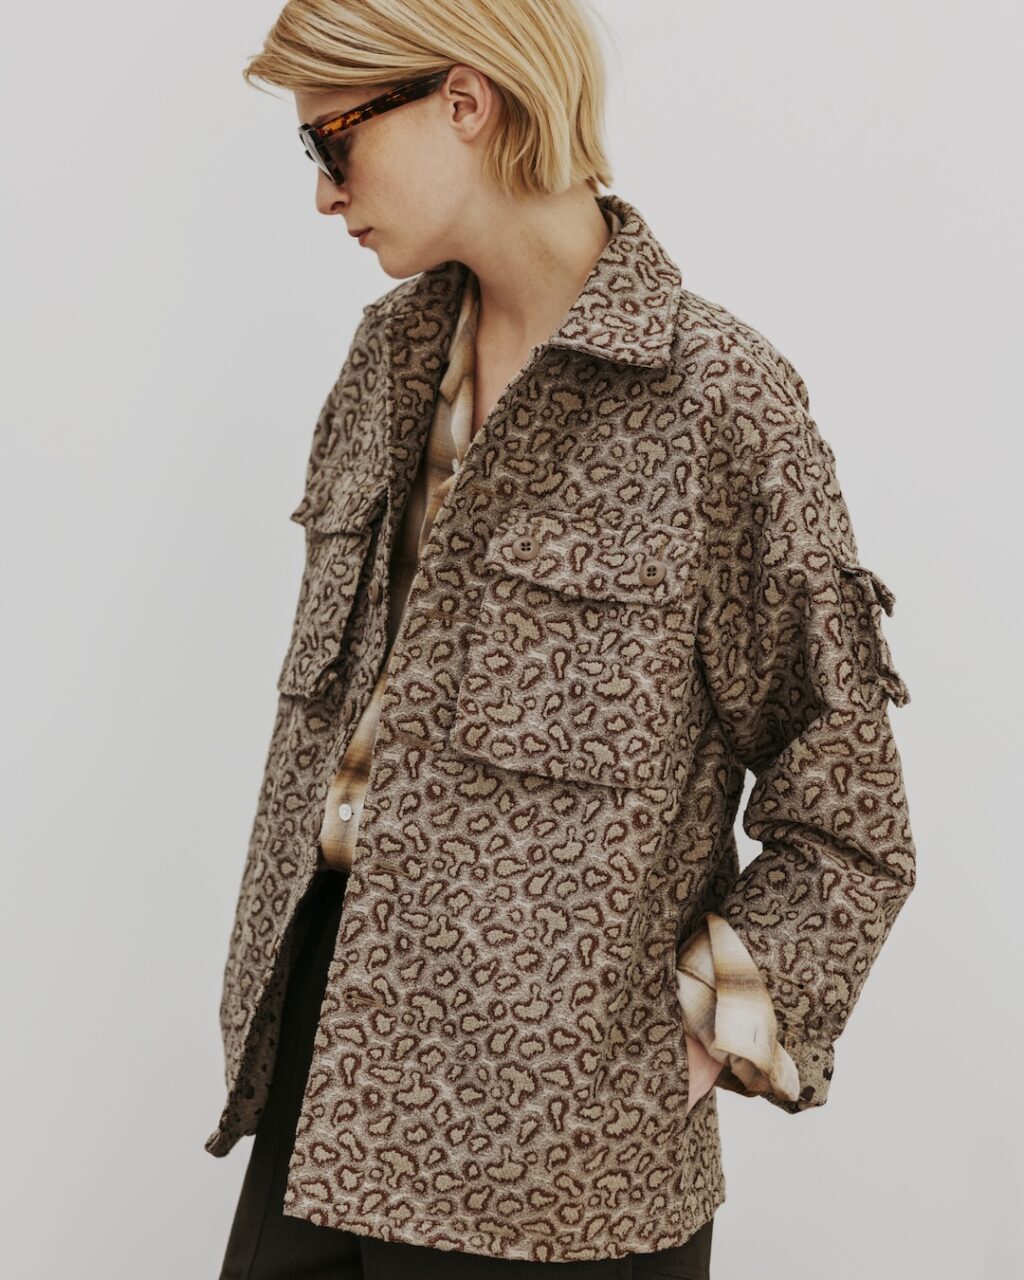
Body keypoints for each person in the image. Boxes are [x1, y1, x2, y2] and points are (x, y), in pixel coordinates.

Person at [210, 3, 917, 1277]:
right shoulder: (386, 358)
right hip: (327, 1077)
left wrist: (707, 1025)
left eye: (333, 143)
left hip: (559, 1158)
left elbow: (846, 807)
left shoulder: (717, 404)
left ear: (463, 101)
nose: (323, 193)